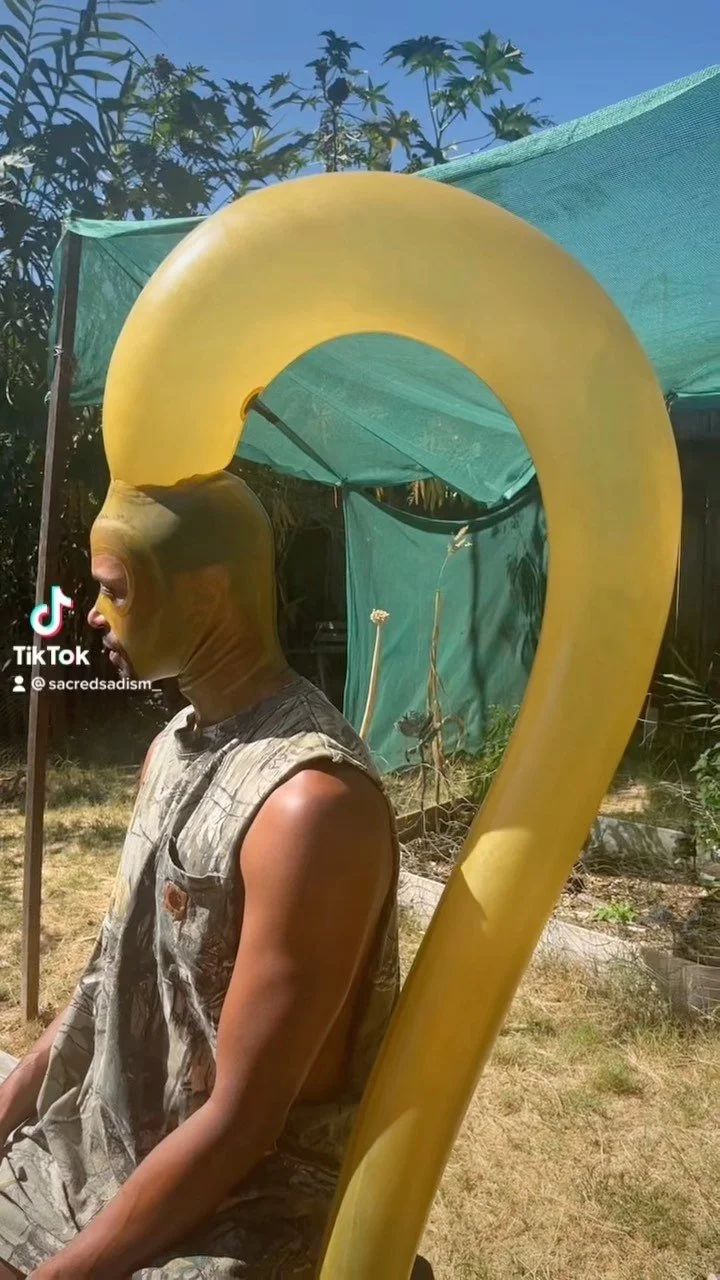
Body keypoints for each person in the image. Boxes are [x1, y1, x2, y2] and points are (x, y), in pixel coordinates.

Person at [0, 472, 399, 1279]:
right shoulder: (171, 748)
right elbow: (102, 989)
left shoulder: (309, 805)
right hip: (107, 1149)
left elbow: (246, 1125)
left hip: (242, 1208)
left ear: (208, 595)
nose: (92, 612)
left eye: (115, 589)